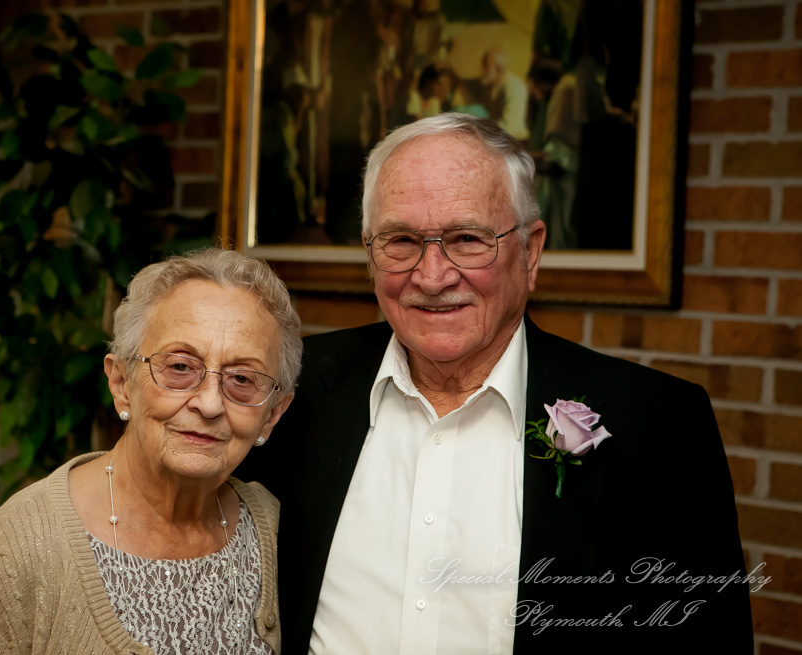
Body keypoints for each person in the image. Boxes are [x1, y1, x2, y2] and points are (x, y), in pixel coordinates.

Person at [239, 113, 753, 654]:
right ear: (369, 251)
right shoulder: (288, 387)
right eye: (401, 241)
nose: (432, 276)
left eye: (467, 239)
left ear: (530, 252)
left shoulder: (656, 423)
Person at [0, 248, 302, 655]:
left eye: (242, 378)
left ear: (272, 413)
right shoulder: (13, 553)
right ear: (121, 382)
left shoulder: (279, 534)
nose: (209, 404)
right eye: (179, 368)